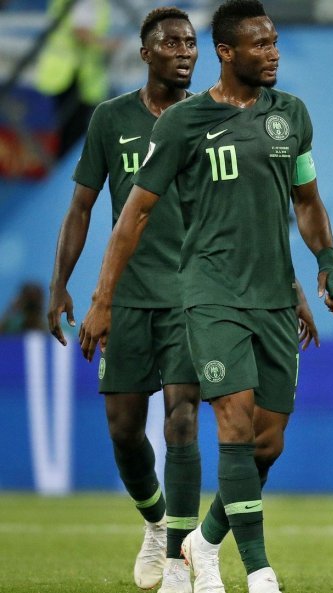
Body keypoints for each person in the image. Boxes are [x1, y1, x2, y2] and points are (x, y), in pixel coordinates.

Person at [77, 2, 333, 592]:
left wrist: (327, 261)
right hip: (208, 294)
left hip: (273, 297)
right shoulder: (184, 123)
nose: (273, 53)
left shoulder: (291, 116)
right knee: (232, 421)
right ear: (227, 52)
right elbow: (133, 216)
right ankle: (258, 571)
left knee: (267, 442)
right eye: (260, 44)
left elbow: (306, 200)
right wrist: (101, 299)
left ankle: (202, 540)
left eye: (275, 42)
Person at [47, 8, 200, 592]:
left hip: (191, 296)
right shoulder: (111, 118)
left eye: (190, 42)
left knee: (182, 420)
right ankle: (156, 522)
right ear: (145, 53)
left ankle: (183, 556)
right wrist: (61, 284)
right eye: (171, 43)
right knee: (124, 429)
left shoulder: (210, 118)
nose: (184, 52)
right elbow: (82, 206)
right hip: (128, 297)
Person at [35, 0, 113, 157]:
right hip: (69, 75)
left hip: (76, 76)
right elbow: (80, 32)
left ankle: (67, 164)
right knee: (72, 133)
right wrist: (109, 45)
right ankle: (68, 167)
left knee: (72, 132)